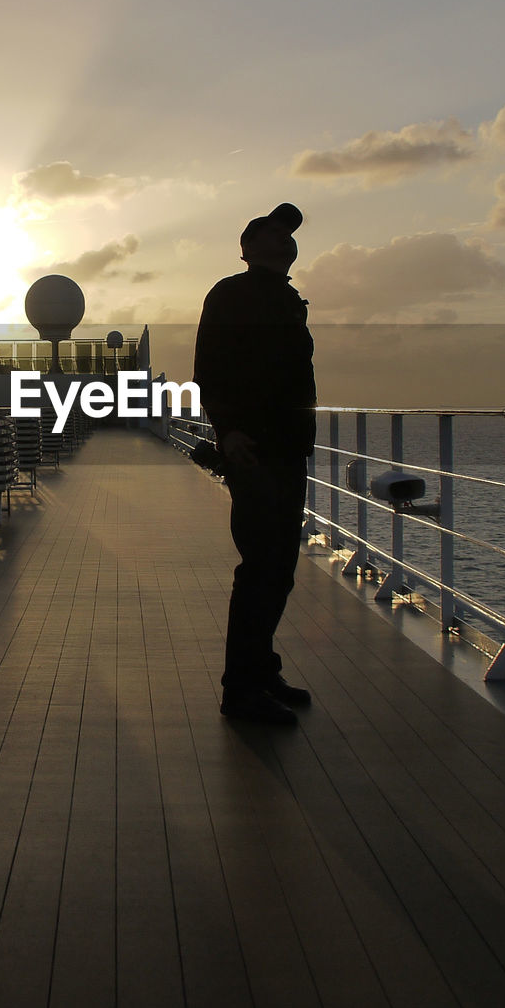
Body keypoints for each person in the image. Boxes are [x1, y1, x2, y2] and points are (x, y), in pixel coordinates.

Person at [192, 203, 316, 724]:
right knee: (261, 569)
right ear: (246, 248)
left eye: (287, 233)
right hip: (255, 452)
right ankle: (240, 690)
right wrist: (230, 432)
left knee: (279, 570)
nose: (282, 238)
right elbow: (210, 369)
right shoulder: (231, 294)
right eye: (271, 231)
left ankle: (261, 670)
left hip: (287, 449)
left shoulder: (288, 299)